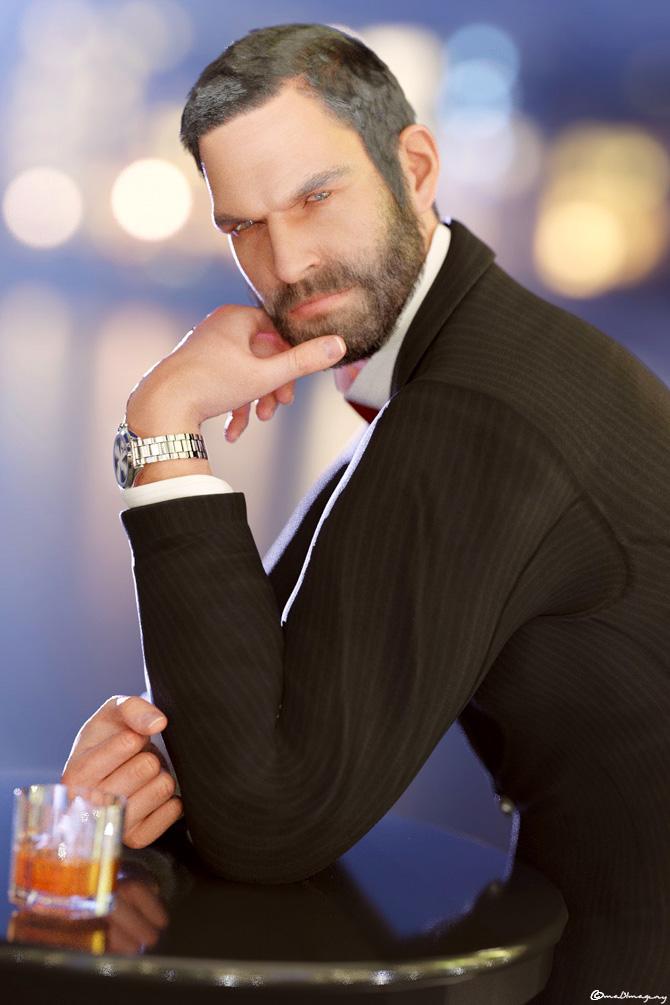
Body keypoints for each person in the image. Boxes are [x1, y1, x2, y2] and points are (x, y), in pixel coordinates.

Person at [63, 24, 670, 1001]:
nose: (287, 260)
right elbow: (257, 723)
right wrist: (162, 767)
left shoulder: (479, 411)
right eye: (243, 225)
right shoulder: (468, 360)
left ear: (414, 168)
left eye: (315, 196)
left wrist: (162, 423)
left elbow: (267, 818)